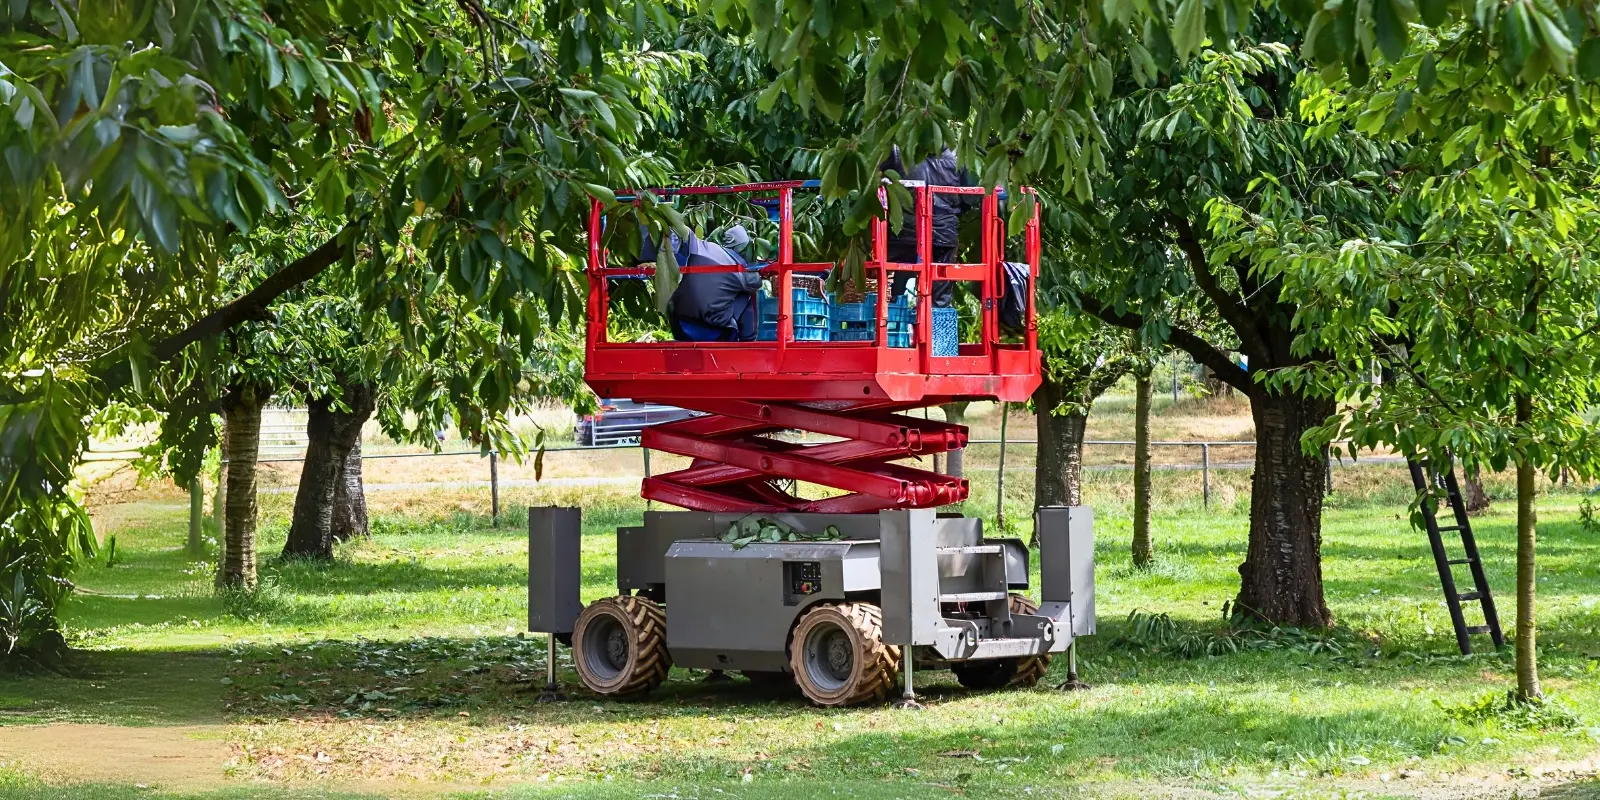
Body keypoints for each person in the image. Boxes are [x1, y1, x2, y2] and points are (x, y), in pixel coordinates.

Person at [880, 146, 978, 308]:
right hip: (943, 235)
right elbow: (970, 199)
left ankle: (895, 309)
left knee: (899, 272)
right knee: (941, 288)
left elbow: (873, 181)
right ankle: (937, 314)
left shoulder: (897, 151)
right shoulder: (958, 156)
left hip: (903, 233)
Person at [642, 224, 761, 342]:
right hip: (718, 334)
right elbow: (757, 282)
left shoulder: (701, 248)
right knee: (748, 293)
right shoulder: (738, 268)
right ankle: (748, 341)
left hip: (680, 328)